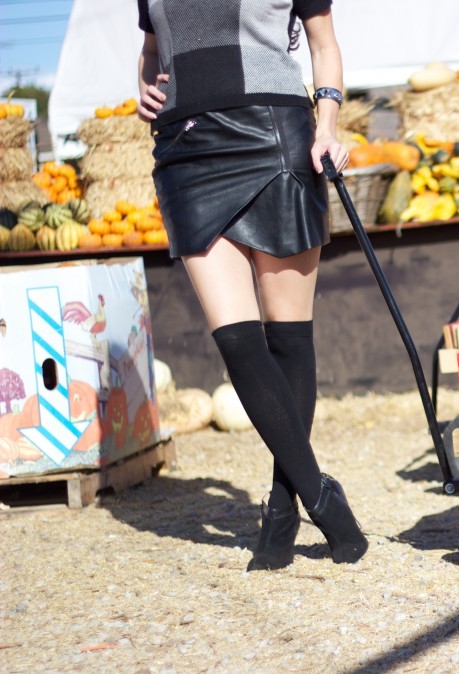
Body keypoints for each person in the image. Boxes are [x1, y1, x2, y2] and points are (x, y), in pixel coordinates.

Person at [136, 0, 368, 571]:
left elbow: (323, 45)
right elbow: (151, 51)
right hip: (186, 152)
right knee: (237, 340)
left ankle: (283, 505)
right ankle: (319, 493)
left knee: (288, 336)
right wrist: (141, 85)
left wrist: (328, 126)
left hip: (276, 135)